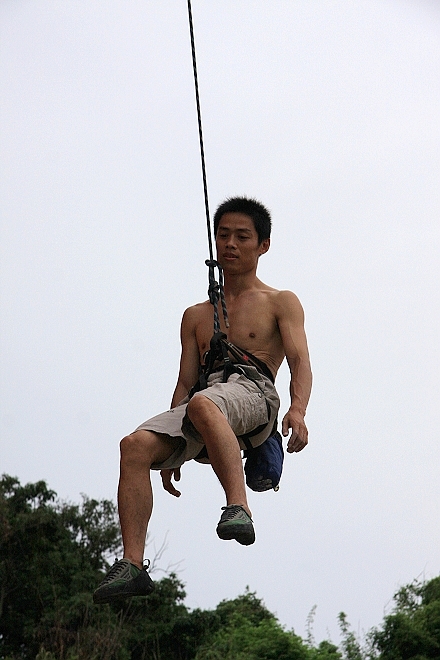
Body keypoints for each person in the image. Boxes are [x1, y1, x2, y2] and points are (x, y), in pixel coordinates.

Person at [93, 197, 312, 604]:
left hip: (254, 393)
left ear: (263, 245)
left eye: (242, 236)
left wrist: (298, 410)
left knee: (203, 405)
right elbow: (185, 382)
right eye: (223, 235)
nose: (230, 244)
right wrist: (171, 448)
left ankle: (238, 508)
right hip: (205, 400)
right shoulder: (196, 315)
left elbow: (300, 361)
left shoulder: (280, 301)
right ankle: (133, 565)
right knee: (134, 446)